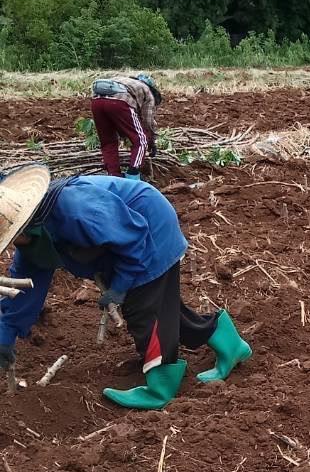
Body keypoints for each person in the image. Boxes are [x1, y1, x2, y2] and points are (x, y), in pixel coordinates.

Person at [0, 166, 251, 410]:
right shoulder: (30, 243)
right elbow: (25, 291)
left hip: (150, 228)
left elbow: (133, 237)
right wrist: (6, 334)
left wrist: (119, 286)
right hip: (126, 240)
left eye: (10, 237)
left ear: (23, 223)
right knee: (162, 307)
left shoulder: (74, 208)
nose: (11, 245)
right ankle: (230, 345)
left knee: (144, 311)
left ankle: (160, 387)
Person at [90, 73, 161, 177]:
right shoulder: (147, 91)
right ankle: (133, 174)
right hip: (120, 101)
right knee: (141, 141)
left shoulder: (121, 80)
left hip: (96, 102)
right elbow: (147, 121)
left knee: (108, 142)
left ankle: (113, 175)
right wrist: (152, 142)